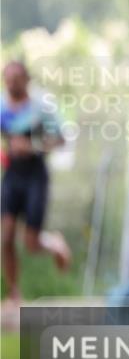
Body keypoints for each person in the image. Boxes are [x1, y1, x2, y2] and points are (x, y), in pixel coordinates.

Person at [1, 60, 72, 307]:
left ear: (26, 80)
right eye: (7, 79)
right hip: (12, 176)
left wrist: (32, 147)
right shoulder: (1, 106)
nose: (11, 83)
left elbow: (62, 139)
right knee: (6, 236)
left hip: (36, 177)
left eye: (16, 78)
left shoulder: (41, 107)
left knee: (30, 244)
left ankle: (55, 244)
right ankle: (14, 294)